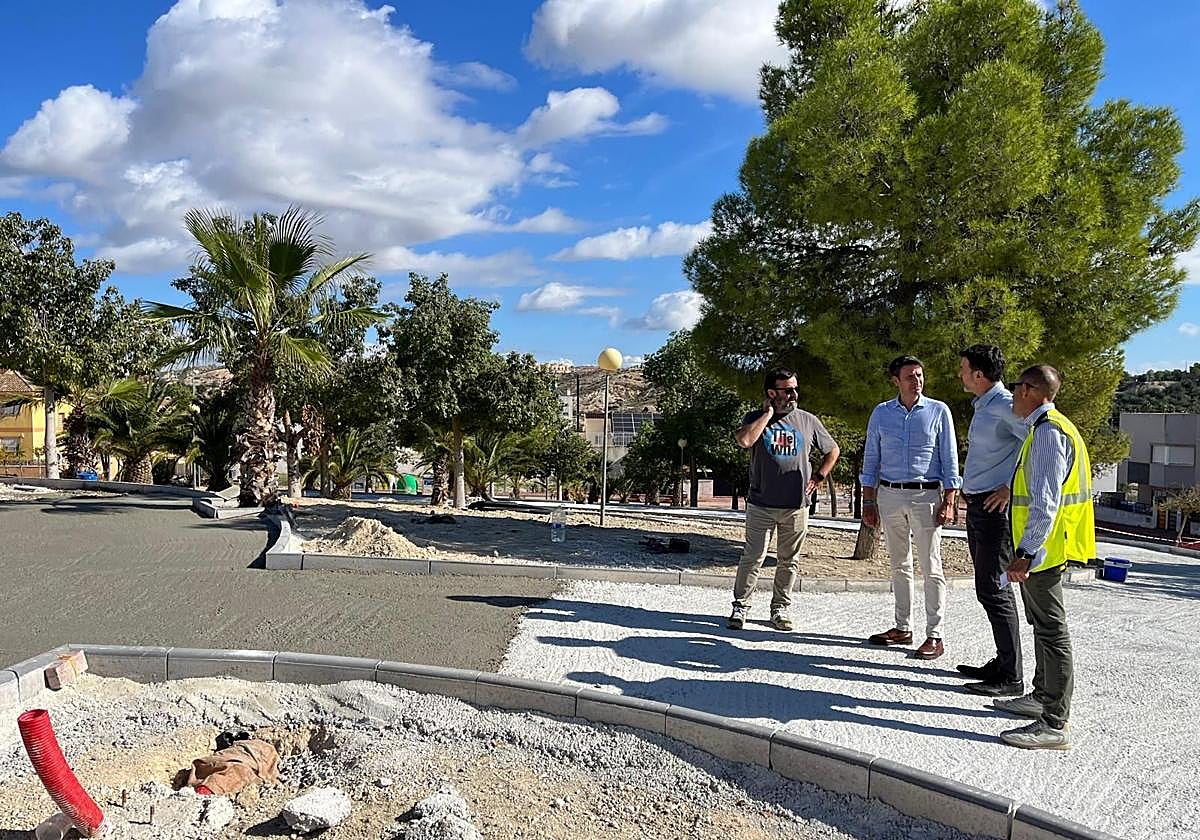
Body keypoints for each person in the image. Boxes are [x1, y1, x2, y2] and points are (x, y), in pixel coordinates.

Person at [994, 365, 1094, 750]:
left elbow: (1045, 504)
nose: (1014, 393)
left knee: (1052, 631)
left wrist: (1025, 553)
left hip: (1044, 552)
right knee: (1042, 625)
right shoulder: (1044, 428)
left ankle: (1054, 722)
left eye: (1018, 387)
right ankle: (1040, 699)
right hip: (1043, 550)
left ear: (1033, 390)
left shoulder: (1050, 433)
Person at [861, 355, 961, 660]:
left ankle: (935, 635)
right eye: (910, 376)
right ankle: (902, 627)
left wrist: (949, 500)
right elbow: (871, 458)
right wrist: (868, 500)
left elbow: (950, 458)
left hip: (926, 496)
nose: (916, 381)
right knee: (899, 564)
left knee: (931, 567)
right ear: (896, 381)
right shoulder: (881, 413)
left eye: (920, 375)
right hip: (889, 495)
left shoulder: (938, 411)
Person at [728, 368, 840, 632]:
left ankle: (780, 608)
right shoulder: (755, 418)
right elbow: (744, 440)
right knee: (752, 557)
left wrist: (820, 476)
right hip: (761, 504)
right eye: (787, 389)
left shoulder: (808, 420)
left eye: (795, 389)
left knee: (789, 560)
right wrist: (767, 414)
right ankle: (740, 606)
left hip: (796, 506)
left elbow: (833, 449)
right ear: (772, 392)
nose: (794, 394)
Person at [956, 345, 1028, 696]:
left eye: (964, 368)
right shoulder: (985, 405)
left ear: (979, 375)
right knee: (989, 589)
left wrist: (1010, 487)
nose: (960, 374)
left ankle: (1011, 676)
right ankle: (1003, 663)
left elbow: (1038, 444)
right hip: (979, 508)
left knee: (994, 589)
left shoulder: (1003, 406)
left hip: (995, 512)